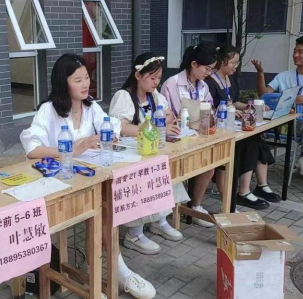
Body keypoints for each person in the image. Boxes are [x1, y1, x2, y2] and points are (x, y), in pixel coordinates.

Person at [20, 53, 156, 299]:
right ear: (63, 82)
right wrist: (72, 149)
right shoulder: (48, 110)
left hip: (89, 178)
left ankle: (102, 273)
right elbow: (32, 150)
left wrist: (109, 135)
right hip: (59, 183)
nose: (85, 84)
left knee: (105, 209)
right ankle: (106, 276)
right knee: (101, 211)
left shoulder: (91, 107)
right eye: (78, 80)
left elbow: (110, 127)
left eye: (87, 78)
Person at [109, 53, 189, 255]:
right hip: (130, 152)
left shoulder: (155, 96)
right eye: (152, 78)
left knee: (166, 171)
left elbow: (169, 114)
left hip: (151, 148)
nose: (156, 82)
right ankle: (134, 233)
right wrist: (153, 127)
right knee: (143, 178)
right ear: (138, 75)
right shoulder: (124, 96)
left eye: (158, 78)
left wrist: (160, 123)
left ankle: (159, 220)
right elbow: (121, 127)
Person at [206, 45, 280, 210]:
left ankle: (261, 185)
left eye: (237, 63)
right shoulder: (209, 82)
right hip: (221, 127)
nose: (236, 66)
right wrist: (231, 110)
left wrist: (248, 107)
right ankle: (243, 191)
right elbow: (212, 108)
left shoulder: (231, 79)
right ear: (222, 61)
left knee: (257, 139)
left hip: (233, 124)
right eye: (233, 62)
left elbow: (234, 102)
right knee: (249, 143)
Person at [252, 36, 303, 177]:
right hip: (280, 120)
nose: (295, 55)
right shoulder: (283, 76)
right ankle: (254, 162)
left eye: (300, 52)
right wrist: (260, 74)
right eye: (295, 51)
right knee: (254, 121)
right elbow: (264, 95)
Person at [161, 44, 217, 228]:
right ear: (194, 64)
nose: (209, 73)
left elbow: (210, 109)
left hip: (196, 136)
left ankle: (196, 206)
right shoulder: (172, 84)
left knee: (209, 165)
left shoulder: (204, 86)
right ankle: (169, 212)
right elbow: (164, 115)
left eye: (212, 69)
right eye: (207, 68)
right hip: (175, 138)